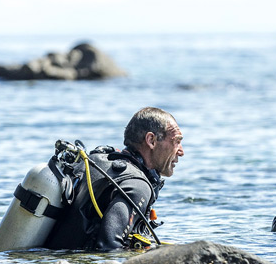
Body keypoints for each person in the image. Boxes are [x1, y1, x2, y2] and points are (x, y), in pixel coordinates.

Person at [45, 107, 184, 251]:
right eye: (176, 141)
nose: (181, 151)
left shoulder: (96, 161)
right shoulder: (137, 185)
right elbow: (109, 247)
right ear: (151, 140)